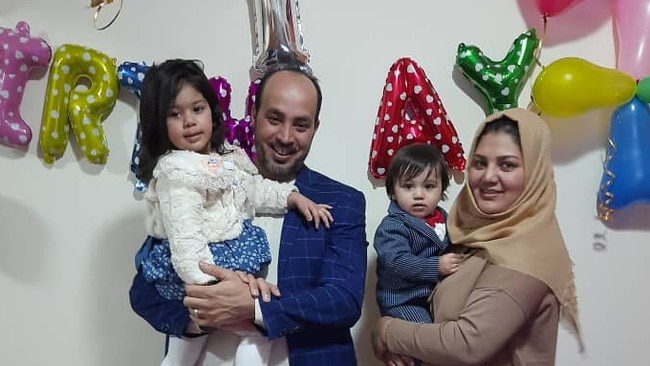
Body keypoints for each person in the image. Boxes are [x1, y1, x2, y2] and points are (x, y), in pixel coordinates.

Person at [129, 64, 368, 366]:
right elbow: (144, 291)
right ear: (253, 115)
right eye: (274, 118)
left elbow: (342, 300)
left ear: (315, 128)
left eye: (301, 124)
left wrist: (253, 307)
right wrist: (198, 318)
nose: (285, 136)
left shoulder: (340, 201)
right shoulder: (197, 178)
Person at [371, 108, 583, 366]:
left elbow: (467, 344)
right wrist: (409, 346)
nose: (488, 177)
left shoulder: (527, 255)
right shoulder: (472, 234)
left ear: (535, 172)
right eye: (480, 163)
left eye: (507, 165)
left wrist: (387, 332)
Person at [374, 143, 462, 325]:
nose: (419, 194)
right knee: (426, 337)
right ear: (392, 192)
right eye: (408, 186)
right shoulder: (393, 225)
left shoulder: (444, 219)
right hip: (404, 301)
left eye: (429, 186)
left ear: (442, 190)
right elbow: (397, 262)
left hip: (434, 295)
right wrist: (436, 266)